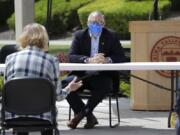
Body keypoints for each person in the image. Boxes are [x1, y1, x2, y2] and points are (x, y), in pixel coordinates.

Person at [4, 23, 83, 135]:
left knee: (22, 112)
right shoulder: (51, 61)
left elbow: (9, 91)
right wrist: (69, 88)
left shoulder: (10, 59)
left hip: (14, 115)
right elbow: (58, 96)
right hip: (43, 116)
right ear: (44, 39)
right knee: (46, 114)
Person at [65, 11, 125, 129]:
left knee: (105, 85)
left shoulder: (111, 35)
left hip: (101, 75)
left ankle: (81, 115)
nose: (96, 25)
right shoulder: (79, 35)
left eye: (99, 22)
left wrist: (106, 59)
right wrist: (88, 60)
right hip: (82, 75)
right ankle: (89, 116)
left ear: (104, 24)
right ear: (87, 23)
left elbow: (121, 56)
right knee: (65, 84)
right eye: (93, 22)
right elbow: (71, 56)